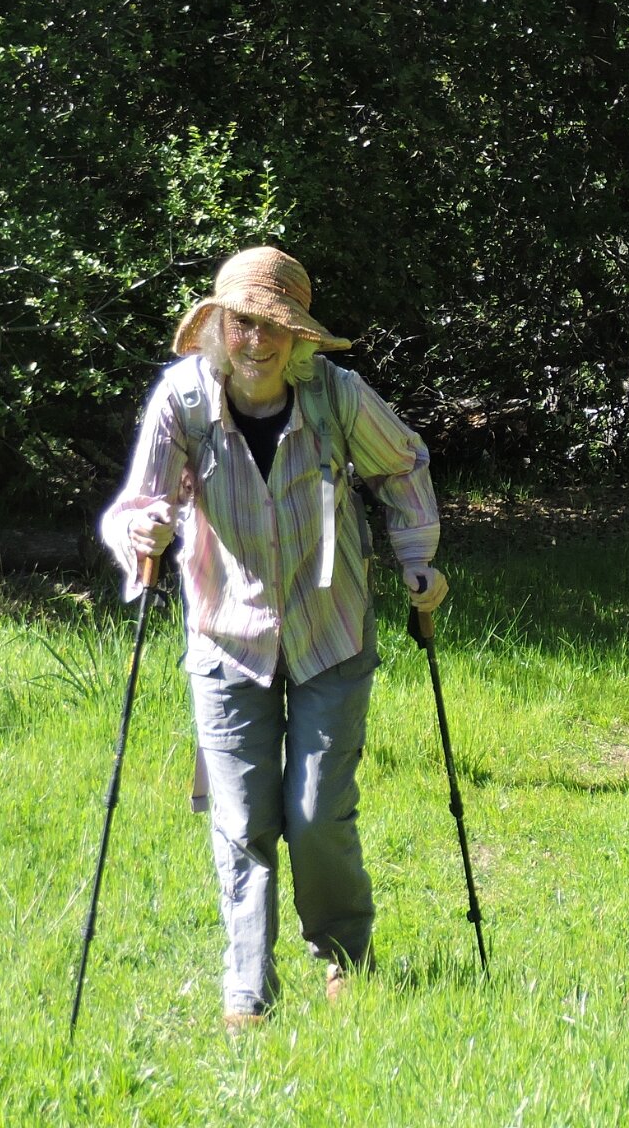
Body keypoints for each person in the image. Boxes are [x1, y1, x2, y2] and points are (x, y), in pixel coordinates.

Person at [100, 246, 448, 1031]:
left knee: (317, 813)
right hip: (226, 635)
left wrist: (417, 558)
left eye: (273, 326)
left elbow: (404, 465)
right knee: (242, 820)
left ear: (297, 338)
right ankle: (248, 989)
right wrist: (143, 532)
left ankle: (344, 957)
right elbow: (138, 505)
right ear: (217, 326)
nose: (255, 340)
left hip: (331, 629)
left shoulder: (336, 397)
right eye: (241, 322)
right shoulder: (184, 399)